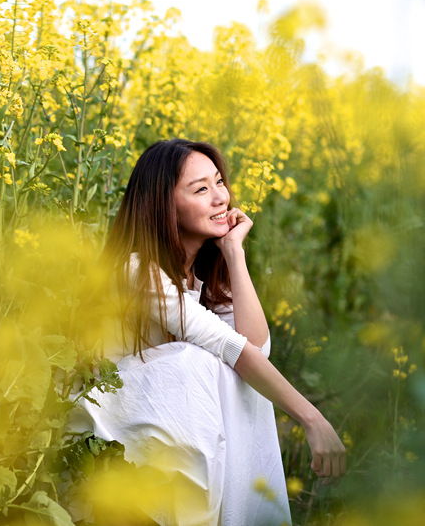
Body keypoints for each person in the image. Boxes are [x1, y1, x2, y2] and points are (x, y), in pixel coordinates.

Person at [67, 139, 346, 526]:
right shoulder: (137, 271)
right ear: (164, 205)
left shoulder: (202, 279)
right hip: (107, 436)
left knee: (236, 371)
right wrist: (311, 418)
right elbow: (232, 349)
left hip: (164, 438)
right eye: (200, 189)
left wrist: (234, 252)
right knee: (199, 362)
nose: (220, 198)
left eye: (219, 182)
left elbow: (257, 350)